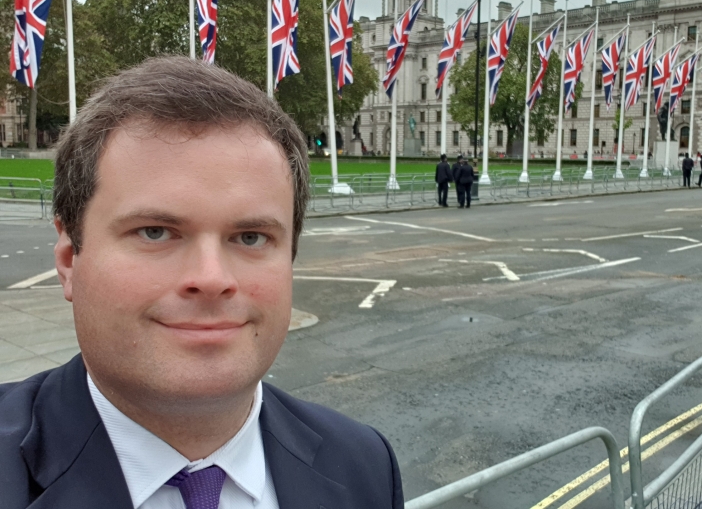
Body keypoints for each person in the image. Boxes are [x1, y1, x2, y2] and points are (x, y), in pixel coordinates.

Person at [0, 57, 403, 509]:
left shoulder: (364, 464)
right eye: (155, 232)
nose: (212, 279)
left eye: (250, 237)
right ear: (69, 258)